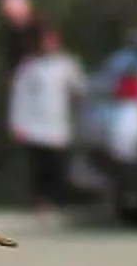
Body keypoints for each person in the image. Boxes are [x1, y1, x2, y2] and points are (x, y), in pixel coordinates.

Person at [5, 22, 84, 209]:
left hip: (58, 123)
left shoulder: (67, 65)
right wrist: (16, 123)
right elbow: (19, 96)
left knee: (57, 166)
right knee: (38, 167)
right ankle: (40, 202)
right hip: (34, 125)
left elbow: (79, 89)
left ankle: (58, 200)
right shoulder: (29, 66)